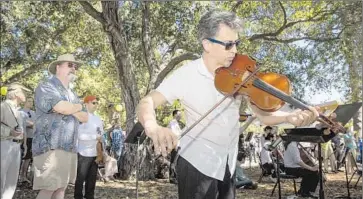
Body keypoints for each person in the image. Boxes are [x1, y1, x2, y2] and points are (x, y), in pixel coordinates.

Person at [136, 9, 319, 199]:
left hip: (227, 163)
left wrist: (289, 117)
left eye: (236, 43)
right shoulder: (186, 75)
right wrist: (152, 127)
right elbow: (147, 101)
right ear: (207, 44)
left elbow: (263, 114)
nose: (235, 51)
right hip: (197, 163)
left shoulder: (238, 73)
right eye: (228, 45)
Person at [32, 54, 88, 199]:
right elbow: (61, 107)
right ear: (58, 67)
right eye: (70, 65)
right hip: (50, 147)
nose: (74, 68)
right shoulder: (46, 86)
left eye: (75, 66)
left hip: (69, 148)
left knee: (61, 189)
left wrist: (71, 108)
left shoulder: (73, 94)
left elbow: (85, 117)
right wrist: (77, 107)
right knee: (48, 189)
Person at [1, 83, 30, 199]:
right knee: (1, 177)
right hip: (4, 144)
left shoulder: (18, 110)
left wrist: (24, 143)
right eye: (23, 92)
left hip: (16, 146)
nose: (26, 95)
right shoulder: (3, 106)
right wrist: (9, 132)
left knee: (11, 182)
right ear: (17, 93)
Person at [74, 95, 103, 199]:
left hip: (95, 154)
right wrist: (95, 137)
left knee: (91, 181)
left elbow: (100, 134)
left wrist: (101, 149)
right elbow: (79, 135)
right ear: (86, 104)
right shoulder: (82, 116)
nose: (96, 105)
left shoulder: (98, 118)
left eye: (97, 103)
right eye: (93, 103)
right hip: (84, 153)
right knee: (80, 179)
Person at [19, 97, 36, 184]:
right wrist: (31, 124)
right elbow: (23, 125)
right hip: (24, 138)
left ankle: (24, 176)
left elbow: (36, 124)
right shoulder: (20, 112)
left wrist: (32, 124)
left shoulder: (33, 113)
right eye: (29, 101)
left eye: (32, 101)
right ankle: (21, 176)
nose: (31, 103)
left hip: (32, 137)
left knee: (28, 158)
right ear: (25, 102)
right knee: (22, 158)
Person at [168, 110, 183, 184]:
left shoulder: (176, 124)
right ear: (174, 115)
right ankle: (172, 178)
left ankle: (174, 177)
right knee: (173, 161)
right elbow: (174, 135)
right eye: (179, 114)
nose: (180, 116)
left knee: (175, 161)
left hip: (178, 144)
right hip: (175, 145)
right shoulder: (173, 123)